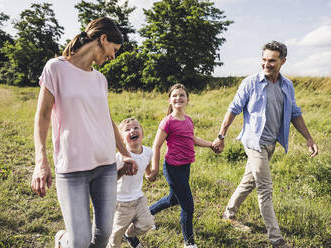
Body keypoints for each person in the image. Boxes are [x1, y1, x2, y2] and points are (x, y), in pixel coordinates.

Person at [31, 17, 138, 248]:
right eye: (114, 49)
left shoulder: (100, 79)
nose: (113, 56)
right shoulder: (56, 67)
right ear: (103, 39)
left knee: (102, 237)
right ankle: (62, 240)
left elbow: (106, 120)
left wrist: (124, 153)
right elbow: (42, 117)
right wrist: (41, 161)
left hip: (106, 166)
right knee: (79, 242)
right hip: (72, 169)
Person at [212, 41, 319, 248]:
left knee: (249, 181)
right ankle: (276, 239)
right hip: (254, 143)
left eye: (272, 60)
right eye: (264, 59)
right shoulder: (250, 83)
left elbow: (295, 114)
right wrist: (221, 135)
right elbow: (233, 109)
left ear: (283, 61)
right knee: (265, 189)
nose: (266, 64)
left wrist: (309, 138)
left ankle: (228, 213)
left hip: (271, 144)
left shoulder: (287, 85)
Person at [147, 83, 216, 248]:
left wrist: (211, 145)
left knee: (173, 199)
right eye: (175, 95)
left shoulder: (188, 120)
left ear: (187, 99)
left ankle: (145, 215)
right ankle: (189, 243)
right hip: (172, 168)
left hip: (186, 167)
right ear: (170, 100)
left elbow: (193, 139)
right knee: (188, 206)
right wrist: (155, 169)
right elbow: (156, 146)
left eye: (182, 95)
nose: (178, 98)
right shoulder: (167, 122)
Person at [106, 118, 155, 248]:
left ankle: (128, 234)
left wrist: (150, 175)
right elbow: (110, 178)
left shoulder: (149, 152)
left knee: (147, 224)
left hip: (139, 198)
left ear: (142, 133)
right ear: (121, 139)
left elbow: (147, 170)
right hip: (121, 202)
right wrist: (122, 170)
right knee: (115, 236)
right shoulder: (119, 157)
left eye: (135, 128)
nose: (132, 130)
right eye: (127, 130)